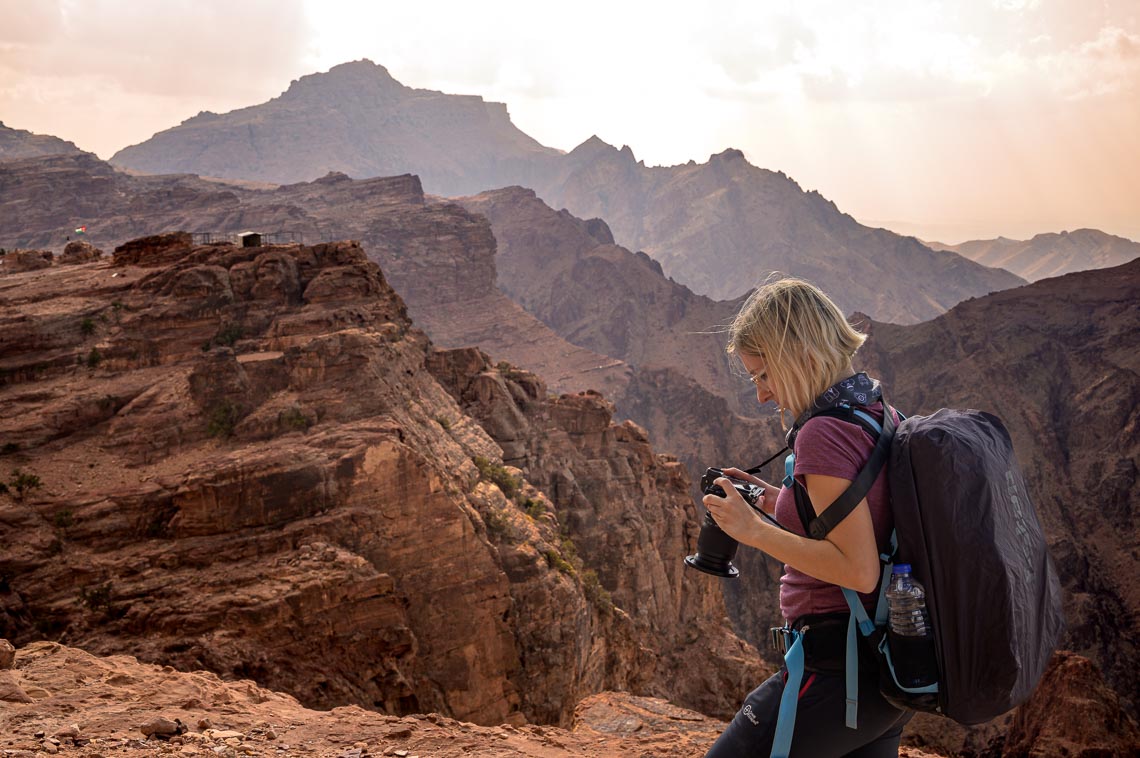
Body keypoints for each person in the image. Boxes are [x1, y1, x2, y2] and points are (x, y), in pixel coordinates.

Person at [701, 277, 912, 757]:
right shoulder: (873, 410)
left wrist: (752, 531)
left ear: (797, 357)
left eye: (763, 375)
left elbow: (858, 568)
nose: (761, 395)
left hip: (838, 674)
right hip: (884, 672)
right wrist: (769, 498)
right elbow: (848, 517)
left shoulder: (822, 432)